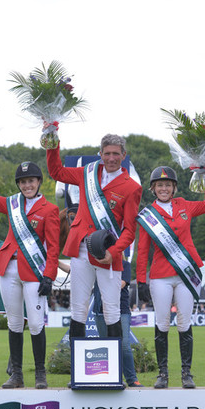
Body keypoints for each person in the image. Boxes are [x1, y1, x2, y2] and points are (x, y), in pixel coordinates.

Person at [0, 162, 60, 389]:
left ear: (38, 182)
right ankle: (16, 374)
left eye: (31, 181)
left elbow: (54, 247)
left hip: (33, 271)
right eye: (23, 182)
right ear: (19, 184)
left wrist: (49, 276)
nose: (27, 185)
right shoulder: (12, 204)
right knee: (14, 322)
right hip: (8, 269)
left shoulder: (50, 210)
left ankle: (40, 373)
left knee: (36, 323)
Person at [46, 133, 142, 343]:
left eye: (116, 154)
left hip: (109, 253)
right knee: (78, 308)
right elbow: (56, 171)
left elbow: (129, 230)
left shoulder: (132, 188)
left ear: (123, 155)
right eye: (107, 153)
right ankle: (77, 371)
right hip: (80, 249)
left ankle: (113, 371)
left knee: (111, 309)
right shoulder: (87, 174)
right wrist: (51, 141)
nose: (111, 158)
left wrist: (113, 253)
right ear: (100, 154)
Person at [136, 166, 205, 389]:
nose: (164, 188)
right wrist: (141, 280)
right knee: (162, 322)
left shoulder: (184, 205)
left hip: (186, 274)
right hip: (160, 276)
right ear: (153, 188)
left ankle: (186, 373)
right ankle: (162, 374)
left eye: (168, 185)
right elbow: (142, 250)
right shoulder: (147, 215)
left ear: (174, 187)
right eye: (160, 185)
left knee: (184, 322)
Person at [94, 258, 142, 387]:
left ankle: (132, 379)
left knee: (124, 344)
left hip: (121, 310)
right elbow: (73, 271)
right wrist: (56, 262)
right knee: (106, 346)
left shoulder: (124, 265)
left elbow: (121, 284)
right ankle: (110, 378)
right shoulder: (95, 265)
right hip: (100, 310)